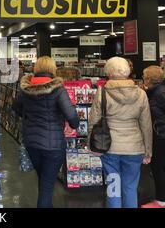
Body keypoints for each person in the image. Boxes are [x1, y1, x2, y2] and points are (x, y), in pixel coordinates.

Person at [12, 56, 79, 208]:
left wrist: (29, 117)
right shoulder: (58, 90)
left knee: (44, 181)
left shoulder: (26, 89)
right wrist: (74, 124)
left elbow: (15, 107)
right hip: (53, 145)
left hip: (31, 143)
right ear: (52, 68)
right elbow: (71, 116)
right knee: (46, 187)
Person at [88, 57, 152, 208]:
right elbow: (146, 125)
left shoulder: (102, 92)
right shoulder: (141, 94)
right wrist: (148, 151)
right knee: (130, 188)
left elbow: (93, 121)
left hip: (109, 147)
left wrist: (92, 146)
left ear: (109, 72)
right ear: (127, 72)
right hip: (135, 148)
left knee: (113, 188)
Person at [141, 66, 165, 208]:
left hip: (160, 137)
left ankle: (161, 200)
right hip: (160, 135)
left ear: (149, 79)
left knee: (158, 168)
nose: (143, 78)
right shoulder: (156, 92)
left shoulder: (158, 94)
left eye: (144, 76)